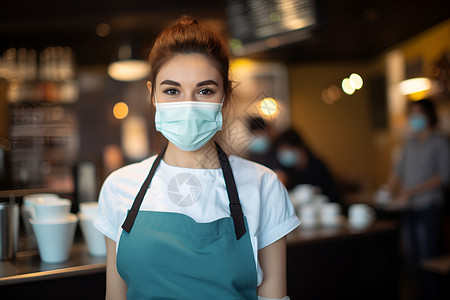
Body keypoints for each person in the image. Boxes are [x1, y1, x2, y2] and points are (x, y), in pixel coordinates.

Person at [93, 16, 300, 300]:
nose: (188, 105)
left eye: (204, 91)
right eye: (172, 91)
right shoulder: (119, 187)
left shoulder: (264, 186)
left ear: (224, 97)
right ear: (153, 95)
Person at [386, 98, 449, 300]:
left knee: (427, 257)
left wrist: (412, 191)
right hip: (409, 207)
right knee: (411, 258)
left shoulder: (440, 142)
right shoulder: (409, 143)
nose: (415, 118)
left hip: (429, 205)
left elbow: (444, 177)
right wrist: (389, 188)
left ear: (429, 115)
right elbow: (398, 170)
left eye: (418, 113)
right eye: (412, 114)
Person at [273, 128, 340, 204]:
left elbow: (331, 194)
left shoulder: (317, 167)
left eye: (286, 150)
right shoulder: (289, 170)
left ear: (298, 147)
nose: (284, 155)